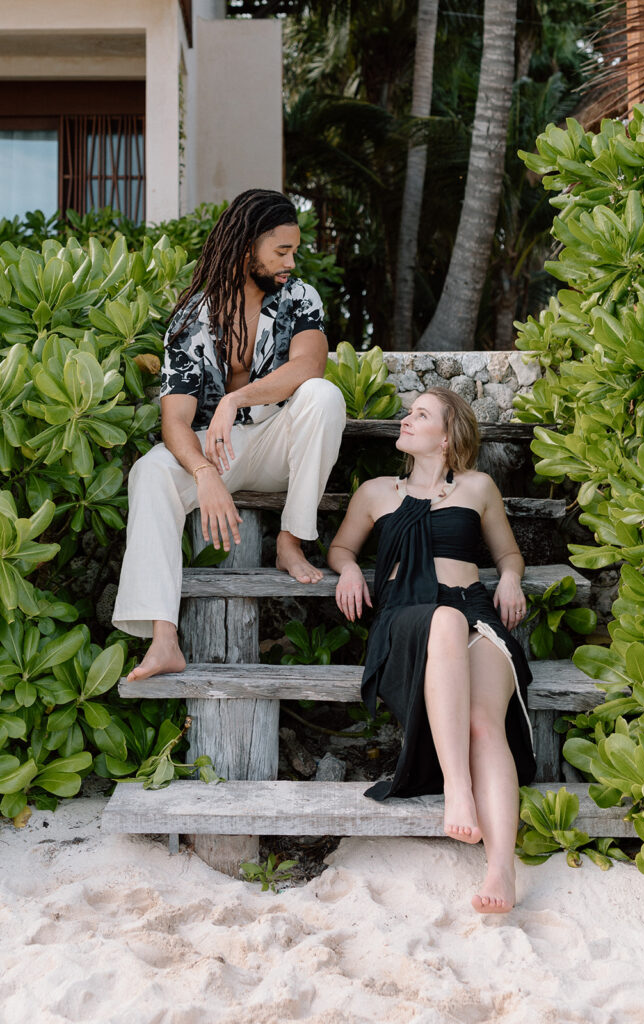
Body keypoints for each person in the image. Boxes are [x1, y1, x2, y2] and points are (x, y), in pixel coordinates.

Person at [113, 189, 346, 681]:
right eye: (280, 251)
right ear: (247, 251)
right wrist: (202, 472)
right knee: (149, 472)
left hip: (279, 440)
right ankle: (164, 639)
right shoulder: (193, 316)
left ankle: (290, 539)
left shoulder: (299, 297)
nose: (290, 261)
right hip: (216, 452)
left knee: (324, 396)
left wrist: (236, 400)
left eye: (293, 250)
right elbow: (175, 420)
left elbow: (309, 365)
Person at [327, 387, 536, 914]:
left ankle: (500, 870)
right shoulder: (376, 492)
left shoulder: (478, 487)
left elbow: (507, 552)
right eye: (407, 412)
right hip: (407, 618)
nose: (405, 419)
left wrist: (510, 579)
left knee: (485, 723)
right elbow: (341, 547)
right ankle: (457, 789)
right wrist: (349, 569)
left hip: (475, 610)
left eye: (419, 414)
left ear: (446, 437)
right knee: (442, 620)